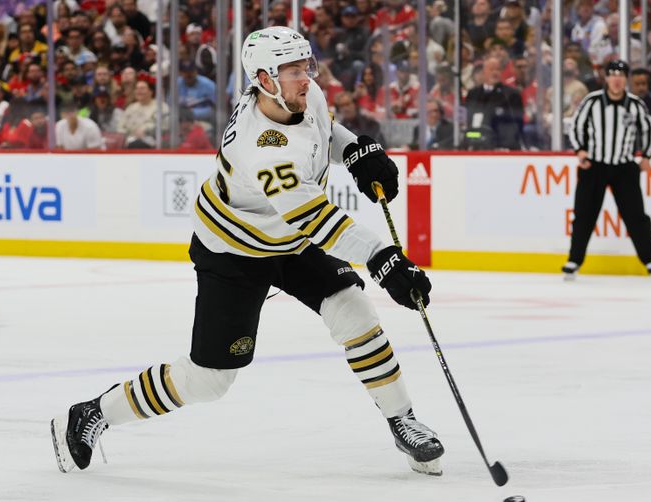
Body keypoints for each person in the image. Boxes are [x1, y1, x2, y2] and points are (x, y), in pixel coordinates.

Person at [51, 26, 443, 477]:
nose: (307, 77)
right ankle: (92, 413)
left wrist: (354, 150)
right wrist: (382, 257)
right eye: (294, 70)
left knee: (352, 308)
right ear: (263, 78)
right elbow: (316, 219)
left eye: (306, 66)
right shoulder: (263, 148)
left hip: (286, 241)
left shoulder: (302, 94)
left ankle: (403, 420)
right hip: (233, 252)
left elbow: (324, 130)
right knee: (209, 380)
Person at [564, 60, 651, 280]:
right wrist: (580, 150)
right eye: (612, 75)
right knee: (584, 215)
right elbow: (576, 125)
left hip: (624, 166)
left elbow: (648, 128)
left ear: (626, 79)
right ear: (606, 78)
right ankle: (574, 260)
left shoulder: (635, 104)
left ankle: (650, 261)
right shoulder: (592, 101)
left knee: (635, 216)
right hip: (595, 165)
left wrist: (646, 155)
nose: (616, 80)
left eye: (620, 75)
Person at [463, 56, 524, 150]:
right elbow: (468, 122)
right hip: (475, 144)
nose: (495, 72)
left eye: (498, 69)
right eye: (491, 69)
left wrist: (503, 144)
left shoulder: (511, 95)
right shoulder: (473, 94)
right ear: (483, 72)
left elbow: (516, 125)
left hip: (501, 146)